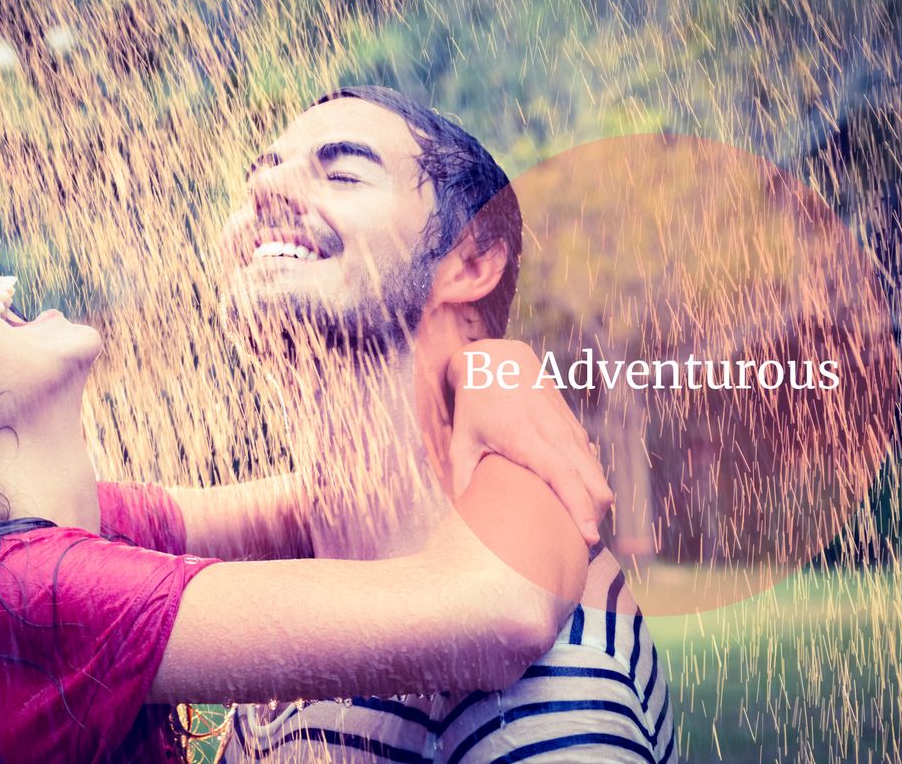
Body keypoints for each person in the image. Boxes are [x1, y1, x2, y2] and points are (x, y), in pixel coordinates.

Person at [0, 232, 613, 762]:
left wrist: (474, 383)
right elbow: (494, 611)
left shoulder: (11, 553)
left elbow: (311, 509)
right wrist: (504, 374)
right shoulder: (5, 598)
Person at [215, 86, 676, 763]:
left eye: (342, 173)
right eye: (261, 170)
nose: (266, 188)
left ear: (470, 261)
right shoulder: (336, 587)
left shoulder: (531, 684)